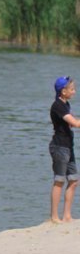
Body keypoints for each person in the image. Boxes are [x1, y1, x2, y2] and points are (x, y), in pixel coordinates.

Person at [49, 76, 80, 223]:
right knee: (59, 180)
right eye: (72, 89)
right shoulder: (58, 106)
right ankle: (54, 217)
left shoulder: (66, 105)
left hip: (68, 146)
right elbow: (75, 122)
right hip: (59, 147)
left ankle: (67, 216)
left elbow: (73, 123)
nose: (74, 92)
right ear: (63, 91)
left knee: (74, 180)